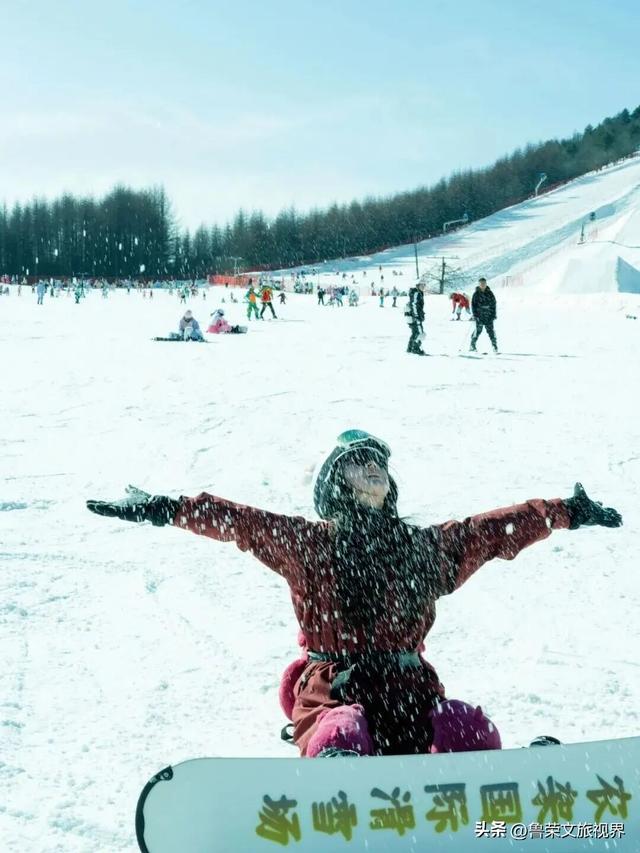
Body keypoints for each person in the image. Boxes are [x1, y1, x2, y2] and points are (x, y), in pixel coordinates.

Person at [86, 430, 622, 758]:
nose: (374, 470)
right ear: (335, 482)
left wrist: (566, 512)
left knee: (464, 724)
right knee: (346, 730)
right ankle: (336, 786)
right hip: (333, 693)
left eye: (380, 465)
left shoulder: (421, 549)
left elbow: (491, 533)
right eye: (359, 463)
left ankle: (502, 788)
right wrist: (166, 507)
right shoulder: (311, 545)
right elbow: (241, 523)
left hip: (408, 691)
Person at [470, 277, 498, 352]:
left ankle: (494, 346)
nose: (482, 285)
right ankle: (472, 345)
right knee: (478, 331)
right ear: (479, 284)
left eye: (484, 283)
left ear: (486, 284)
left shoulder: (490, 293)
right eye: (481, 284)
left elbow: (494, 304)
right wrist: (475, 315)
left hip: (489, 315)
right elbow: (473, 305)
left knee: (491, 331)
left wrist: (493, 314)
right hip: (479, 315)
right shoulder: (476, 294)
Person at [405, 280, 427, 356]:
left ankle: (410, 348)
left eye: (424, 285)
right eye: (422, 285)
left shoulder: (417, 293)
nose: (423, 286)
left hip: (412, 316)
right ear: (417, 285)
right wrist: (416, 316)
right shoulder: (416, 293)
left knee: (415, 332)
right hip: (414, 317)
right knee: (421, 333)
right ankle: (416, 349)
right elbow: (414, 305)